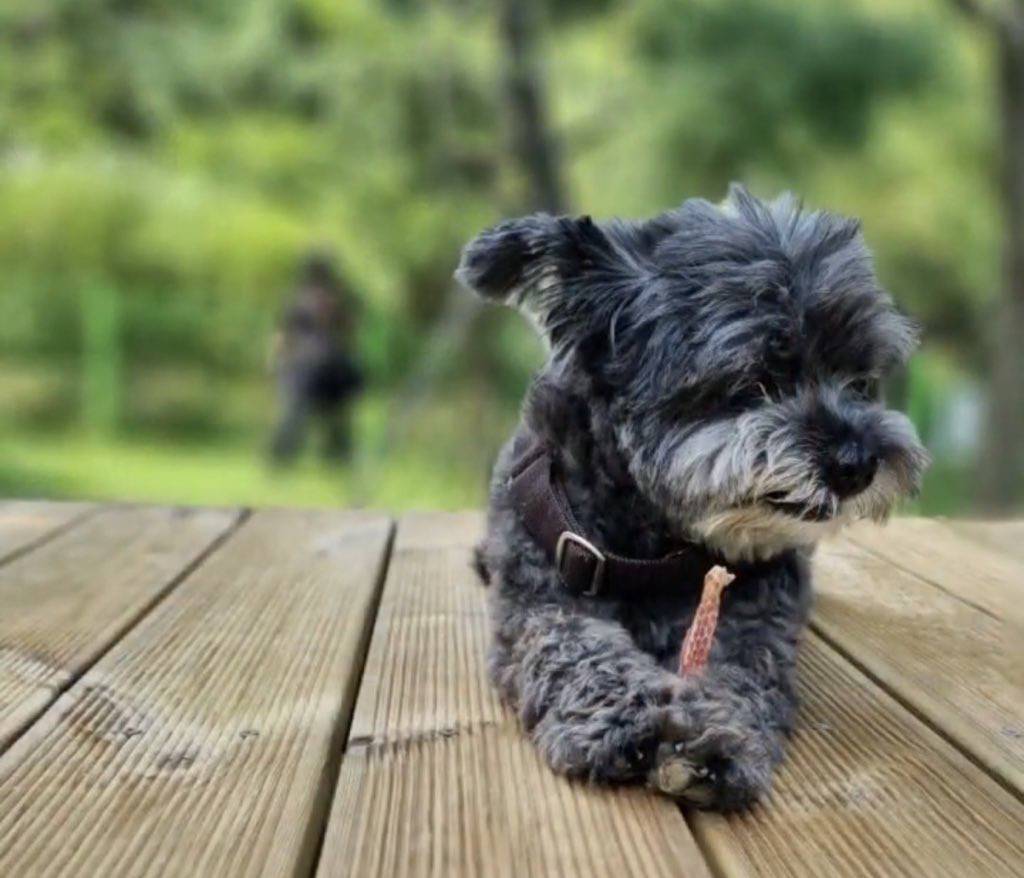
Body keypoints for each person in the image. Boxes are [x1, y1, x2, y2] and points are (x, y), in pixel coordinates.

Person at [269, 253, 363, 464]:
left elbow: (283, 334)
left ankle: (287, 456)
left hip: (310, 362)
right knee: (329, 415)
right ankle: (334, 454)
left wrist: (277, 362)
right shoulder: (335, 299)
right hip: (327, 361)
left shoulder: (298, 299)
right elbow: (350, 332)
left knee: (299, 412)